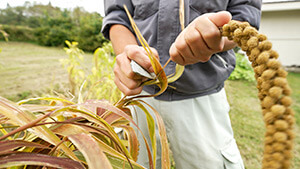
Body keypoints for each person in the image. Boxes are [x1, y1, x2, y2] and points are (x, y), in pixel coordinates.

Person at [102, 0, 261, 168]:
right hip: (140, 97)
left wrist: (215, 33)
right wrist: (130, 55)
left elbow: (245, 17)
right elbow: (117, 17)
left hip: (202, 96)